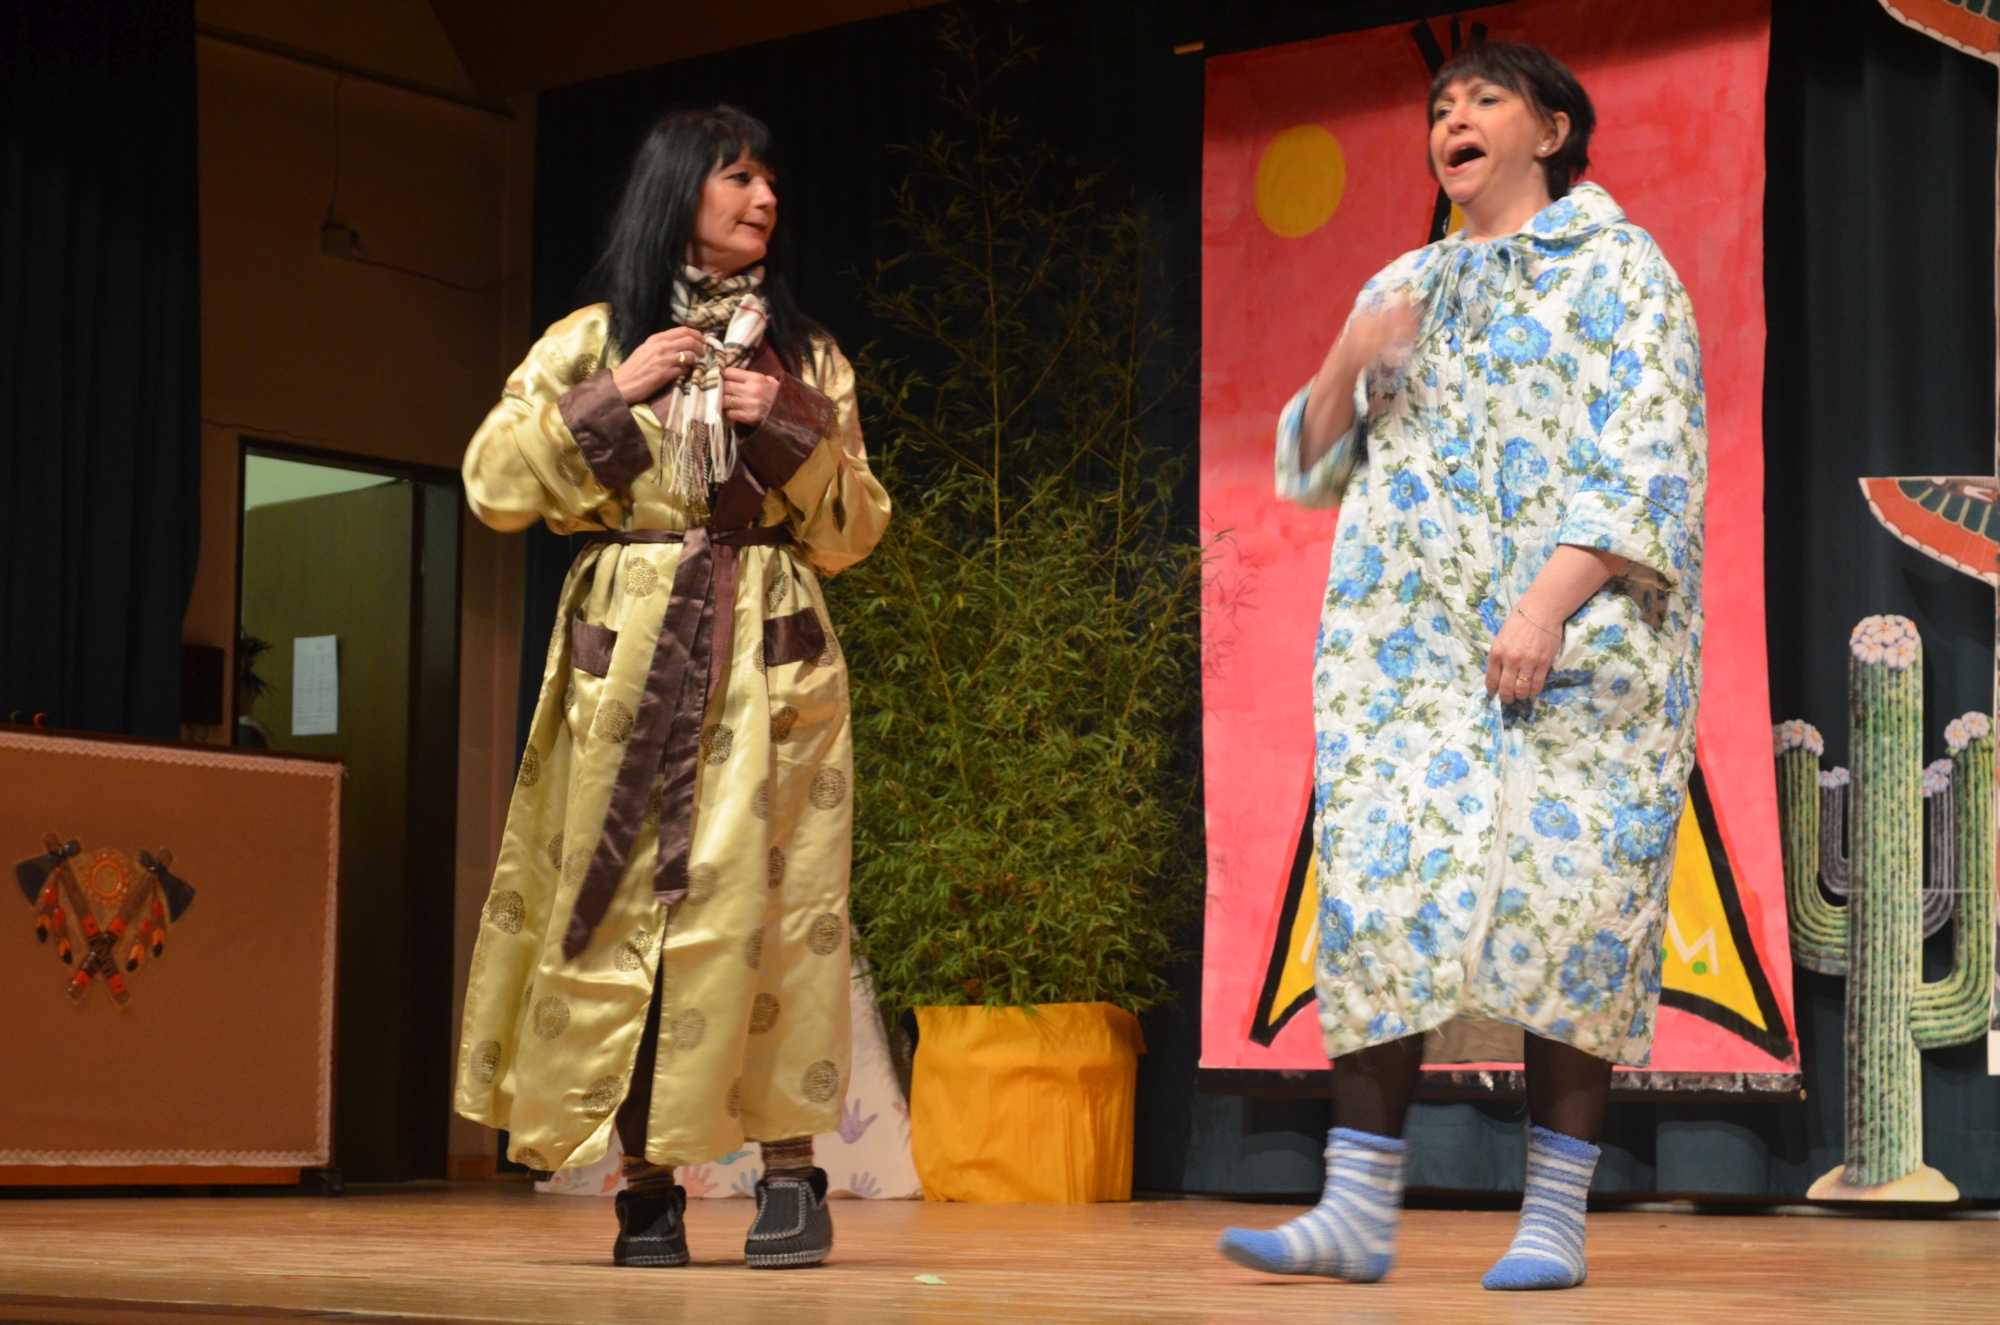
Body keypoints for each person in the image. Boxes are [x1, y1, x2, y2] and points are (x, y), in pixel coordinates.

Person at [1216, 42, 1705, 1291]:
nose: (1453, 119)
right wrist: (1347, 356)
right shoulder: (1403, 281)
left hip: (1583, 644)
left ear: (1550, 130)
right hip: (1411, 654)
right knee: (1380, 898)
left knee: (1569, 908)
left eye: (1484, 99)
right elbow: (1308, 463)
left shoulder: (1619, 267)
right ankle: (1352, 1209)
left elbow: (1645, 458)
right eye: (1439, 106)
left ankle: (1552, 1218)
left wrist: (1543, 606)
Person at [453, 105, 889, 1270]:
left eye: (769, 180)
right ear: (677, 189)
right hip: (632, 653)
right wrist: (616, 391)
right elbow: (493, 482)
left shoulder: (805, 356)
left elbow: (854, 530)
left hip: (768, 657)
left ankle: (789, 1174)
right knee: (624, 910)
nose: (763, 198)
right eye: (737, 177)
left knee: (775, 913)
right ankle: (644, 1183)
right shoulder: (592, 338)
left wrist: (786, 422)